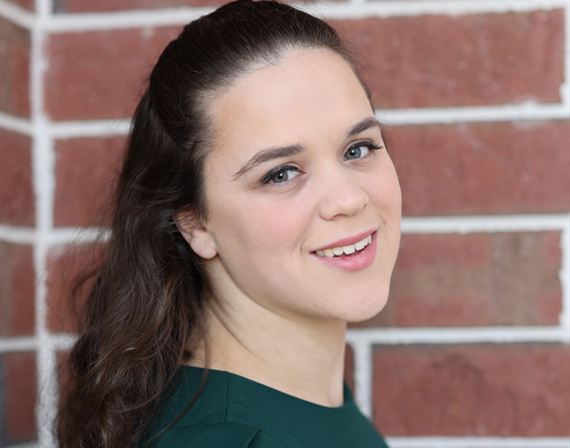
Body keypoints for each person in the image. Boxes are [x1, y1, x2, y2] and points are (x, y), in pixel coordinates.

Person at [56, 0, 402, 446]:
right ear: (195, 222)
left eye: (358, 148)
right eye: (280, 173)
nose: (349, 199)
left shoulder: (311, 408)